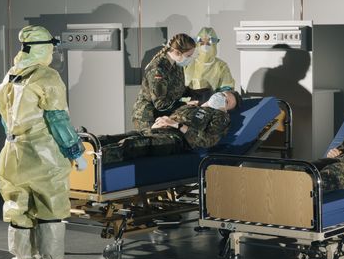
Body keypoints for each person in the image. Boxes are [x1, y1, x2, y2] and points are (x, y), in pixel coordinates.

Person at [0, 25, 86, 259]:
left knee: (18, 209)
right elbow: (57, 120)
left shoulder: (11, 75)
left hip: (12, 154)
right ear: (44, 48)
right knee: (50, 208)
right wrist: (76, 152)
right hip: (43, 155)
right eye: (51, 48)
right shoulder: (47, 77)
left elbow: (5, 120)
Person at [99, 91, 241, 164]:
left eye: (227, 102)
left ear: (226, 109)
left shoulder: (220, 116)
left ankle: (94, 159)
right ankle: (88, 145)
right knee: (110, 138)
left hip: (176, 139)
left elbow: (207, 141)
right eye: (223, 94)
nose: (222, 98)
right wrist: (160, 122)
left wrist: (177, 125)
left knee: (131, 145)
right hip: (157, 129)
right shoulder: (192, 105)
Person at [132, 33, 198, 129]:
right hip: (148, 117)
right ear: (177, 52)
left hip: (164, 114)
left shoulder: (176, 65)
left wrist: (197, 94)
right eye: (188, 55)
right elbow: (160, 104)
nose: (190, 59)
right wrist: (184, 104)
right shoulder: (158, 69)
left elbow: (179, 90)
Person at [184, 27, 236, 101]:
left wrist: (214, 101)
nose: (205, 46)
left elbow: (226, 89)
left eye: (208, 43)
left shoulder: (221, 66)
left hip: (212, 104)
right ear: (197, 44)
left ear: (214, 45)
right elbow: (179, 90)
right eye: (202, 43)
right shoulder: (188, 63)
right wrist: (186, 101)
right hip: (189, 103)